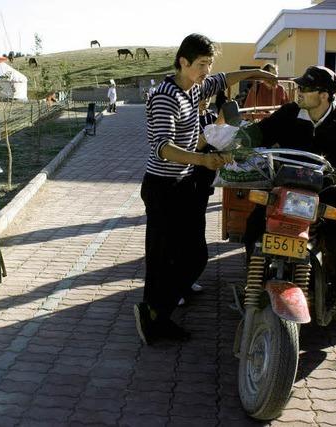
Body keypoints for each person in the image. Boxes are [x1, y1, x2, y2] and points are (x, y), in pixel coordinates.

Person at [134, 33, 275, 345]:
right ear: (183, 62)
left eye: (209, 64)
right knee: (164, 258)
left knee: (193, 256)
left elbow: (224, 79)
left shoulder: (194, 86)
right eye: (201, 64)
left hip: (182, 182)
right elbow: (162, 147)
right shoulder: (165, 96)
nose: (207, 70)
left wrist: (257, 73)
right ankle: (155, 317)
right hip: (162, 187)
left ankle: (158, 313)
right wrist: (203, 159)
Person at [242, 65, 336, 326]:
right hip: (285, 190)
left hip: (326, 195)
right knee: (254, 226)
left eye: (305, 88)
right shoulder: (290, 112)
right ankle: (255, 281)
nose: (299, 92)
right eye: (299, 87)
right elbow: (263, 131)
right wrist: (241, 139)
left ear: (324, 95)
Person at [176, 96, 220, 307]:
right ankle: (176, 287)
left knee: (196, 234)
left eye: (207, 97)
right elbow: (194, 146)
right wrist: (216, 128)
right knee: (183, 236)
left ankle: (188, 279)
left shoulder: (210, 117)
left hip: (204, 183)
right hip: (186, 181)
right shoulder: (187, 119)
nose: (205, 101)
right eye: (201, 98)